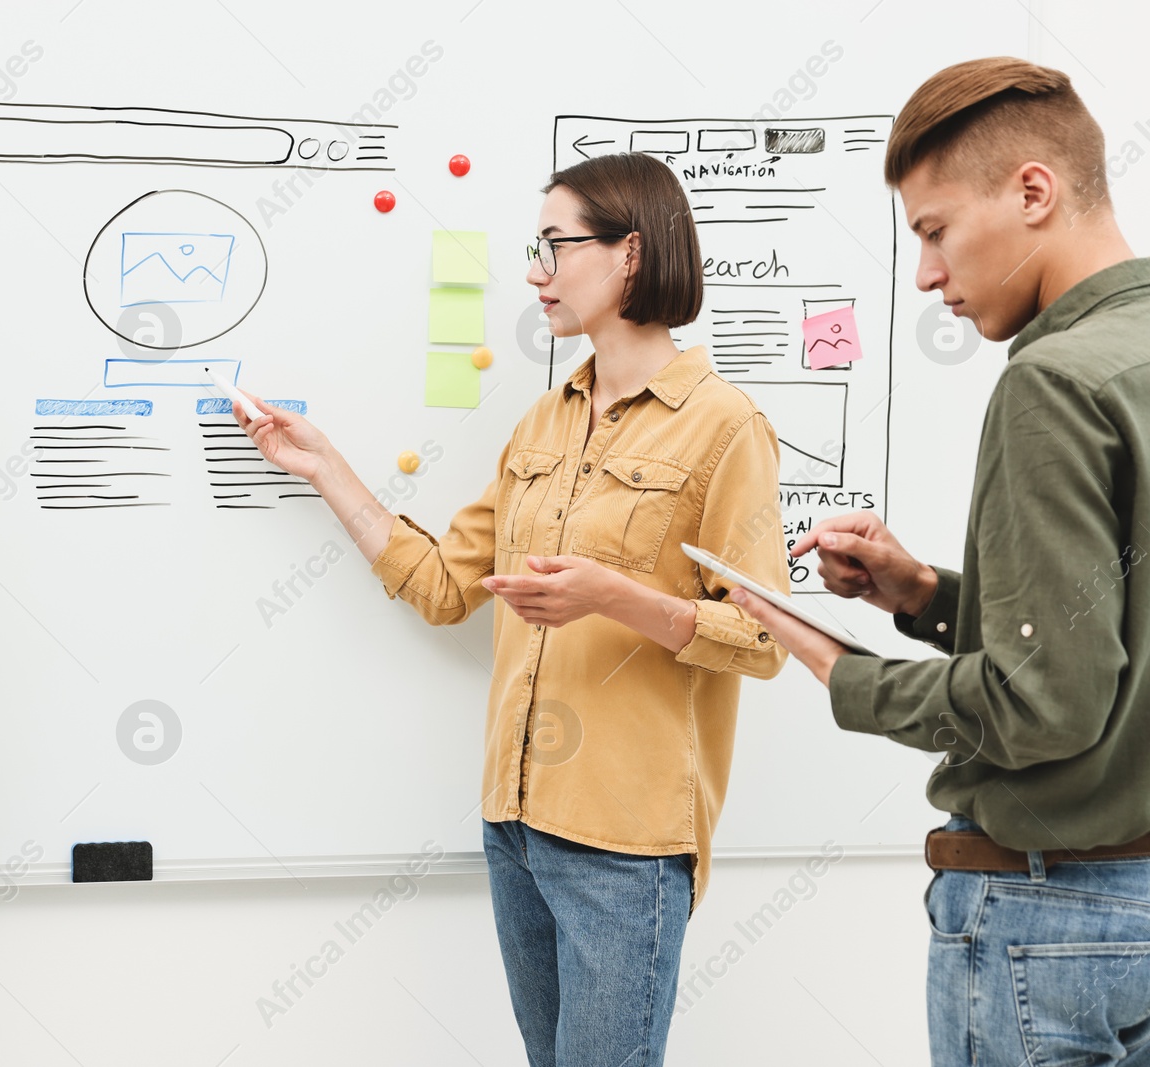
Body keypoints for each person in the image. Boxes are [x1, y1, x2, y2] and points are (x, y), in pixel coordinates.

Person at [233, 152, 788, 1065]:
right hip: (516, 825)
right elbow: (448, 588)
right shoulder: (543, 423)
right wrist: (325, 467)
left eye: (554, 246)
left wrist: (613, 595)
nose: (535, 271)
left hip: (626, 844)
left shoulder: (725, 425)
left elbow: (764, 637)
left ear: (630, 255)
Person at [731, 58, 1150, 1066]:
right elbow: (1113, 629)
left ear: (1033, 191)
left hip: (1050, 920)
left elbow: (1046, 703)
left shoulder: (1053, 383)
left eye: (932, 231)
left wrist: (839, 667)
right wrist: (919, 593)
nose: (925, 275)